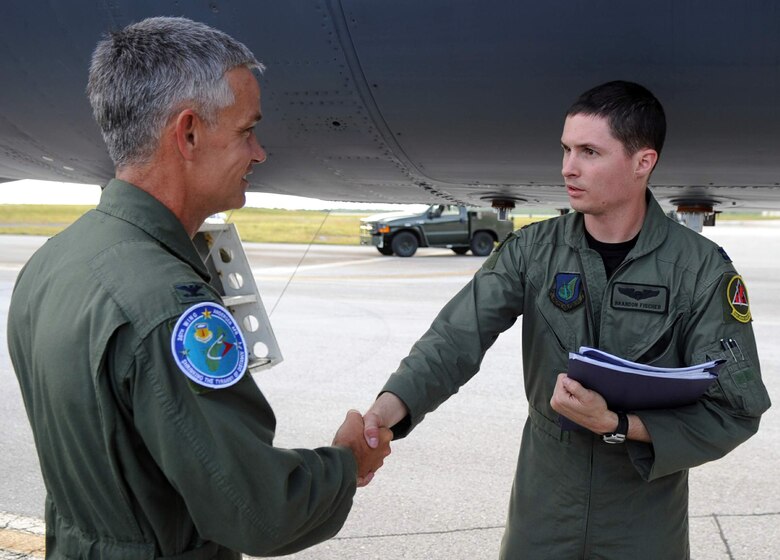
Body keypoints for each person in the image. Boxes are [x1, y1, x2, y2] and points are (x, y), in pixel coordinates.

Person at [7, 16, 391, 559]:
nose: (258, 153)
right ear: (187, 133)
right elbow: (258, 512)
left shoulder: (51, 264)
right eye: (245, 132)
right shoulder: (168, 308)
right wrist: (347, 462)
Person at [363, 80, 770, 559]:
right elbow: (454, 339)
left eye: (590, 152)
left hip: (642, 518)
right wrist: (385, 413)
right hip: (543, 510)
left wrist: (620, 424)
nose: (568, 168)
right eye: (566, 149)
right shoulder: (533, 251)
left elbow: (735, 410)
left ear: (643, 162)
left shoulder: (700, 270)